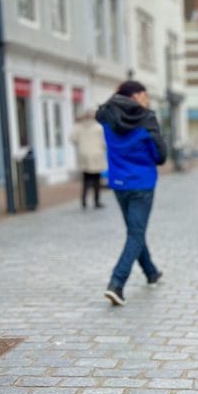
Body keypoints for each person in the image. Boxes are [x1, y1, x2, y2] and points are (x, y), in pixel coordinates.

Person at [96, 80, 167, 306]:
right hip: (142, 183)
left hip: (118, 182)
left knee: (135, 230)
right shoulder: (146, 118)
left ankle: (151, 272)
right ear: (135, 96)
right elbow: (160, 155)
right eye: (145, 96)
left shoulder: (106, 116)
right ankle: (116, 283)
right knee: (136, 233)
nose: (147, 101)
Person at [70, 109, 107, 209]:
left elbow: (72, 139)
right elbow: (104, 142)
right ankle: (96, 201)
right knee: (96, 180)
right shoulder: (99, 127)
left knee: (86, 180)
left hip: (84, 155)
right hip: (96, 155)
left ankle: (84, 201)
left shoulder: (78, 127)